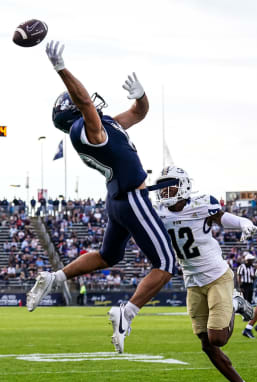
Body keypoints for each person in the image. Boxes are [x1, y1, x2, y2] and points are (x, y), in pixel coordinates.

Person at [27, 40, 177, 354]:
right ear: (75, 111)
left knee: (109, 257)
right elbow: (83, 101)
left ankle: (55, 277)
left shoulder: (105, 124)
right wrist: (60, 68)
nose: (91, 101)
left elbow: (138, 113)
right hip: (133, 199)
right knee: (165, 262)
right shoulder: (86, 129)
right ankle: (127, 312)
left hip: (119, 200)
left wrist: (141, 95)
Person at [155, 165, 257, 382]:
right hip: (192, 282)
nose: (166, 191)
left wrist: (243, 222)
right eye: (162, 186)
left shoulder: (201, 203)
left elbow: (222, 218)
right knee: (206, 344)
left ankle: (235, 301)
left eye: (171, 185)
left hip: (217, 277)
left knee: (218, 338)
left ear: (183, 185)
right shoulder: (158, 213)